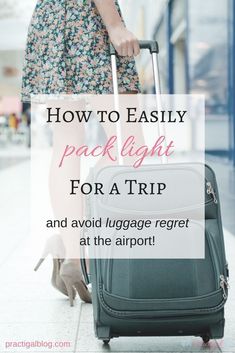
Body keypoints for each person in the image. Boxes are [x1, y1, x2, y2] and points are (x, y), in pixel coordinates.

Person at [22, 0, 141, 306]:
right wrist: (114, 24)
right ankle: (72, 241)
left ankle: (71, 247)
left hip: (49, 21)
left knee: (66, 143)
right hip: (90, 21)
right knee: (130, 143)